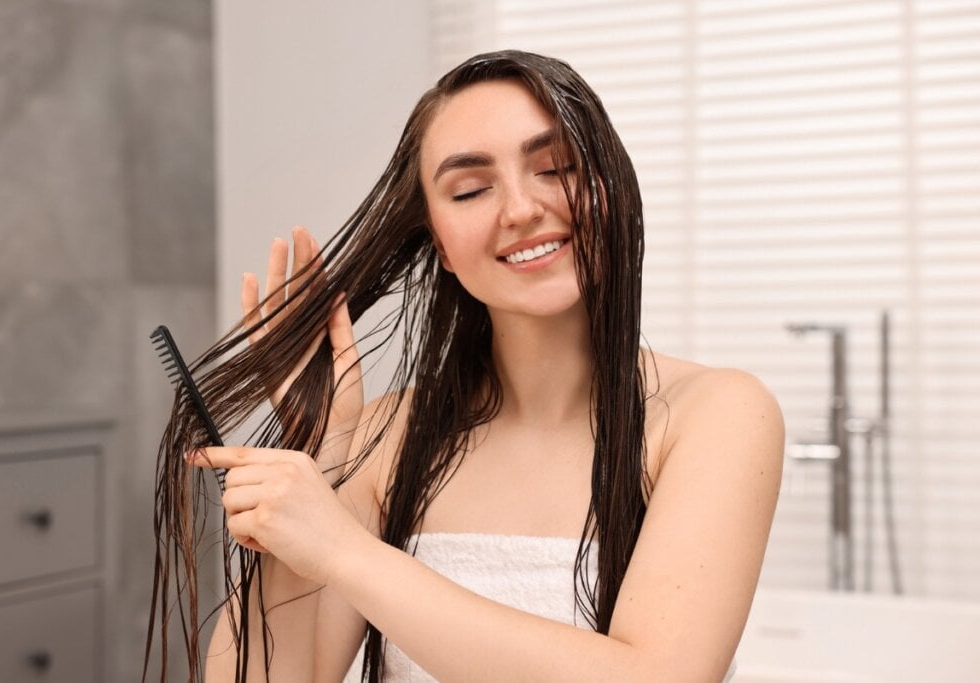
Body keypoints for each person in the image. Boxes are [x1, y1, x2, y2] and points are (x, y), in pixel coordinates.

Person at [149, 50, 784, 682]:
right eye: (471, 189)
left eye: (556, 167)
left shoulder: (714, 414)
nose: (519, 209)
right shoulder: (386, 440)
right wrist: (322, 456)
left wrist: (342, 550)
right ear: (441, 246)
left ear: (609, 188)